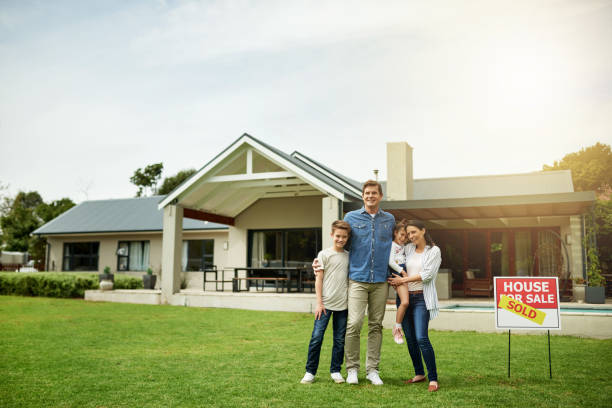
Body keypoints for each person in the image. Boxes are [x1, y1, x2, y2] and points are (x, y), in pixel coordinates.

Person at [315, 180, 395, 385]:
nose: (370, 196)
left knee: (376, 326)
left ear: (380, 196)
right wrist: (321, 258)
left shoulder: (389, 219)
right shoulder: (350, 217)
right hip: (357, 279)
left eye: (374, 193)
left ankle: (372, 370)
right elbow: (340, 241)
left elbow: (395, 247)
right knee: (354, 324)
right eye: (367, 193)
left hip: (380, 280)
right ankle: (352, 369)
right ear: (362, 196)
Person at [388, 219, 442, 392]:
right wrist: (394, 279)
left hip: (421, 299)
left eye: (413, 232)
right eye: (408, 233)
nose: (410, 236)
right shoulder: (408, 248)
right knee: (410, 339)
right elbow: (394, 259)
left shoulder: (434, 251)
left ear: (423, 230)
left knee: (421, 338)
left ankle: (433, 378)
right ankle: (419, 373)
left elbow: (426, 275)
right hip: (405, 298)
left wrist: (402, 279)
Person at [301, 220, 351, 384]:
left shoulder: (349, 256)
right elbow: (319, 279)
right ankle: (310, 372)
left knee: (339, 340)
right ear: (332, 235)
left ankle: (336, 371)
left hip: (343, 306)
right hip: (324, 305)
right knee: (316, 338)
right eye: (338, 236)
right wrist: (319, 303)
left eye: (344, 236)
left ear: (347, 237)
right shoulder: (323, 254)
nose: (340, 239)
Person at [388, 220, 410, 345]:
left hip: (404, 273)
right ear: (395, 233)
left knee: (406, 302)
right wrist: (403, 272)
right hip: (398, 274)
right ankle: (397, 328)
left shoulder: (403, 247)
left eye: (406, 236)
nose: (403, 238)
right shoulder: (392, 245)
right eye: (401, 234)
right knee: (405, 302)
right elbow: (390, 261)